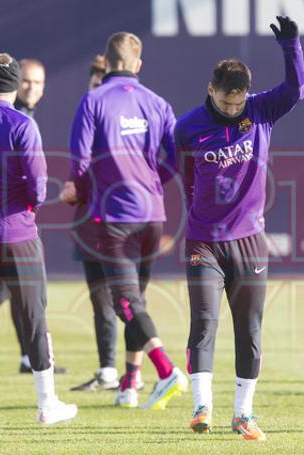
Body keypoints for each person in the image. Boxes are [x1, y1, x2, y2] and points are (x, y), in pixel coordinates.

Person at [175, 16, 304, 439]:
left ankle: (243, 414)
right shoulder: (188, 126)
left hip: (250, 241)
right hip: (204, 242)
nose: (233, 110)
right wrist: (202, 215)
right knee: (204, 323)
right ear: (210, 90)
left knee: (249, 331)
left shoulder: (260, 110)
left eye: (238, 103)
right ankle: (201, 408)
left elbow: (297, 90)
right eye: (225, 102)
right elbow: (187, 179)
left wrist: (292, 46)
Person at [0, 52, 76, 427]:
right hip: (18, 232)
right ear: (15, 84)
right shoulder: (23, 124)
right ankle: (46, 404)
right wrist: (24, 204)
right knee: (34, 316)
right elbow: (38, 185)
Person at [70, 32, 187, 409]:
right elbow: (175, 157)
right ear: (138, 65)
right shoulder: (157, 103)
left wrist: (90, 190)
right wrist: (153, 182)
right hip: (152, 214)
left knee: (125, 303)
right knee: (135, 301)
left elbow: (79, 163)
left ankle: (167, 371)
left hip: (115, 215)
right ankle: (131, 382)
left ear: (106, 62)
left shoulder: (93, 100)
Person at [65, 55, 143, 392]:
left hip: (120, 222)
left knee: (127, 300)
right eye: (94, 76)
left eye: (103, 75)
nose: (98, 81)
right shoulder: (87, 116)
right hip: (88, 222)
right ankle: (108, 372)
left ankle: (139, 372)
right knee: (100, 300)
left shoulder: (126, 120)